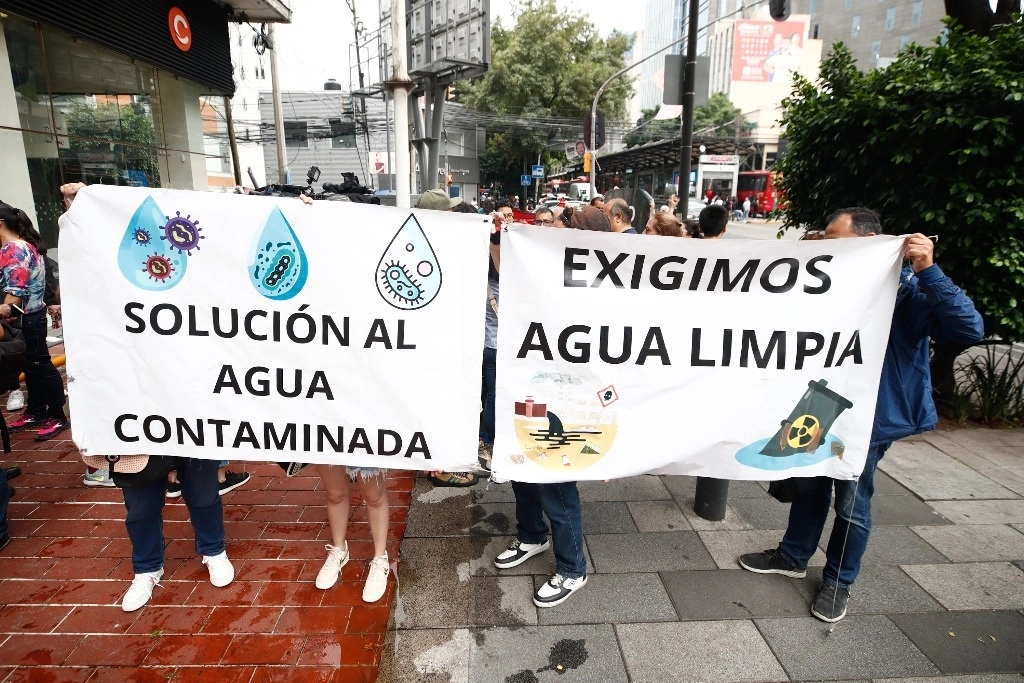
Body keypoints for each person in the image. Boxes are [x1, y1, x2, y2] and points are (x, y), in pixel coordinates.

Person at [738, 207, 984, 623]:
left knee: (852, 503)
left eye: (836, 240)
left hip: (870, 415)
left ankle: (838, 581)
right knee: (810, 485)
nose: (830, 246)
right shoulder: (830, 282)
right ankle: (794, 555)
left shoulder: (907, 290)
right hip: (819, 404)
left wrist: (928, 270)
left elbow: (968, 329)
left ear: (868, 242)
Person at [492, 209, 591, 608]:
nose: (548, 232)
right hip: (526, 383)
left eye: (559, 228)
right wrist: (499, 235)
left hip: (564, 393)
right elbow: (501, 264)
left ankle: (573, 568)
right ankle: (532, 536)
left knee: (556, 480)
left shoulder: (590, 285)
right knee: (523, 467)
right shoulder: (540, 271)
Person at [119, 456, 235, 611]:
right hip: (137, 442)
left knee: (202, 490)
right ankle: (147, 567)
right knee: (141, 503)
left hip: (192, 435)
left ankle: (213, 549)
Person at [0, 201, 69, 441]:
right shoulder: (28, 245)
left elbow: (14, 291)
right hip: (31, 315)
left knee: (40, 365)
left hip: (26, 318)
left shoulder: (14, 248)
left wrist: (5, 310)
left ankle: (58, 415)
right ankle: (36, 411)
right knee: (32, 366)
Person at [314, 464, 392, 602]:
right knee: (335, 494)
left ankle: (380, 557)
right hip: (329, 442)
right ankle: (339, 549)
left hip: (367, 442)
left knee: (374, 496)